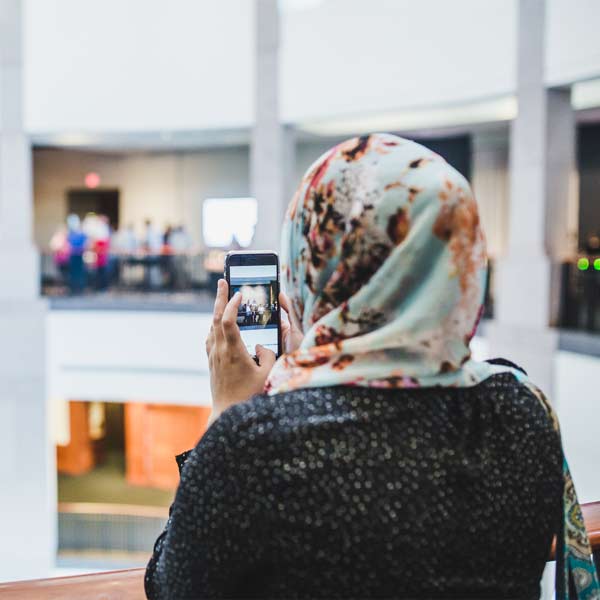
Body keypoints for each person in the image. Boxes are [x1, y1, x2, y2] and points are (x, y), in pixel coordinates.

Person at [145, 134, 599, 599]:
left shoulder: (255, 444)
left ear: (314, 261)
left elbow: (171, 588)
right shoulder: (521, 410)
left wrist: (226, 411)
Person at [66, 214, 87, 294]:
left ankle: (79, 290)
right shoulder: (71, 234)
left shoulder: (81, 234)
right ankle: (74, 289)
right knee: (73, 274)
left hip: (79, 256)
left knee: (79, 273)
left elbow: (85, 243)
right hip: (73, 256)